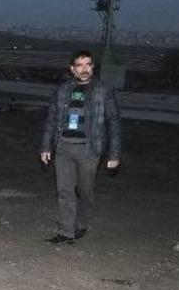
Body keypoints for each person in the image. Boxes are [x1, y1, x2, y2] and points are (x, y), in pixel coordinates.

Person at [39, 50, 122, 244]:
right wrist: (45, 146)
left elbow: (114, 122)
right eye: (80, 65)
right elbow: (51, 119)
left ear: (93, 67)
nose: (84, 69)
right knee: (64, 191)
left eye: (88, 65)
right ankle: (66, 231)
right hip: (63, 148)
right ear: (72, 69)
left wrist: (114, 153)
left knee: (85, 191)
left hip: (89, 149)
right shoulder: (62, 90)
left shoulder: (103, 90)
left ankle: (82, 223)